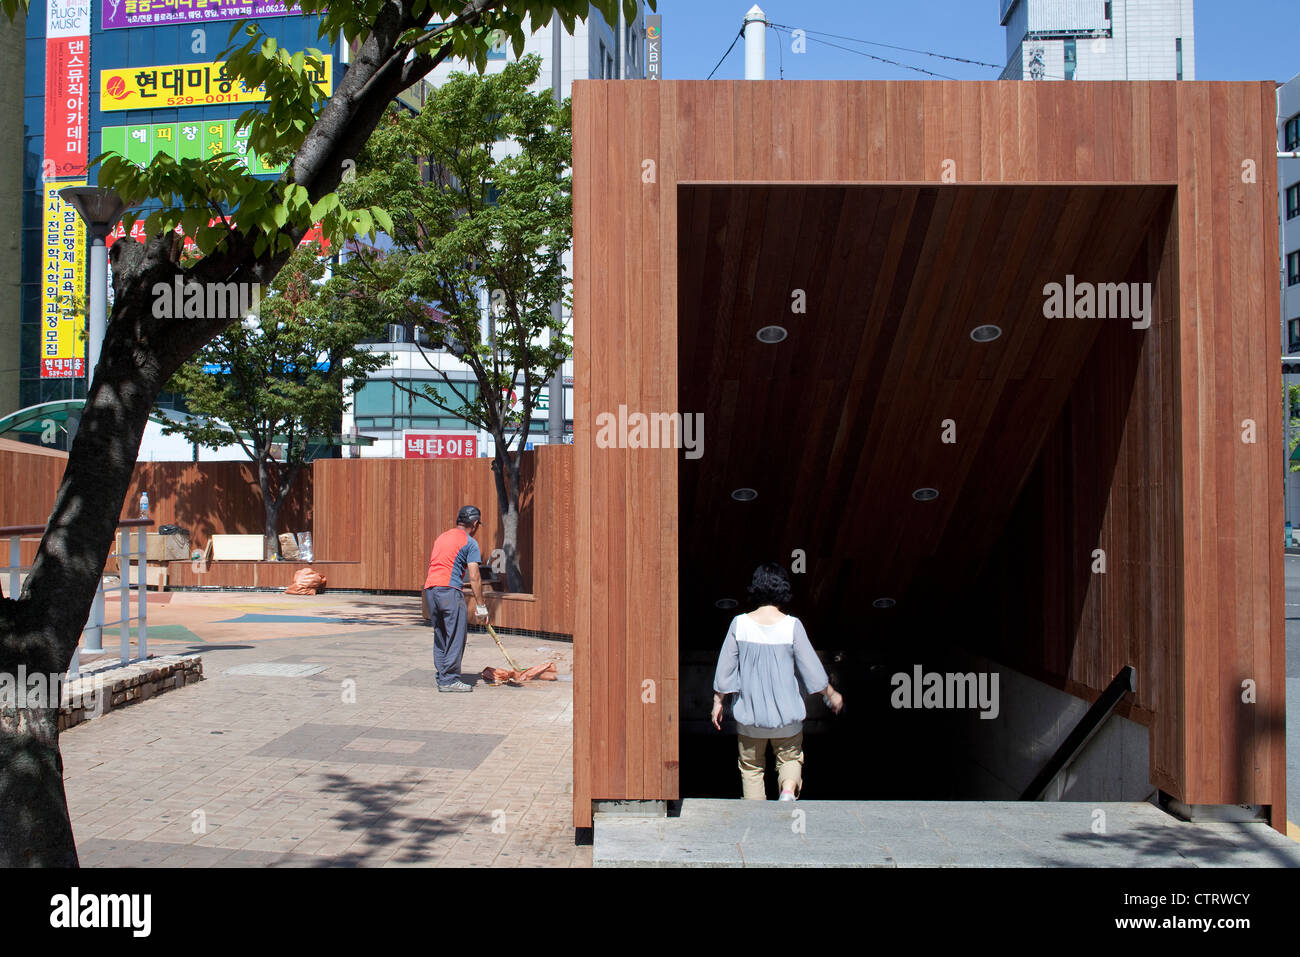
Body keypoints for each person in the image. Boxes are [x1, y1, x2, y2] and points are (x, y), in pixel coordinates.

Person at [712, 562, 844, 800]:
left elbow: (725, 669)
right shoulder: (792, 626)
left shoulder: (739, 624)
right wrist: (831, 694)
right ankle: (787, 790)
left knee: (752, 768)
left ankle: (756, 818)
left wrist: (718, 701)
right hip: (787, 715)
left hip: (751, 716)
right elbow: (812, 669)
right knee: (790, 758)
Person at [424, 505, 490, 692]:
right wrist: (481, 605)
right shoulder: (469, 543)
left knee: (441, 634)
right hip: (449, 591)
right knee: (456, 635)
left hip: (430, 589)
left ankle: (443, 674)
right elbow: (475, 576)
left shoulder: (442, 537)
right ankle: (450, 680)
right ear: (475, 523)